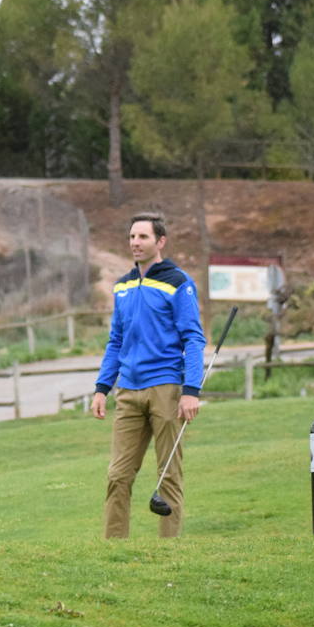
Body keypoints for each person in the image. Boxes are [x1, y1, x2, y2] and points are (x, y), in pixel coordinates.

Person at [90, 212, 206, 538]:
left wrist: (191, 390)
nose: (135, 243)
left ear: (160, 242)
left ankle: (168, 552)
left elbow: (193, 338)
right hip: (127, 390)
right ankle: (115, 549)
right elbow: (116, 341)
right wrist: (102, 388)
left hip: (166, 387)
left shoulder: (178, 283)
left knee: (168, 474)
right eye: (132, 237)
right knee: (118, 475)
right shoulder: (123, 286)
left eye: (142, 237)